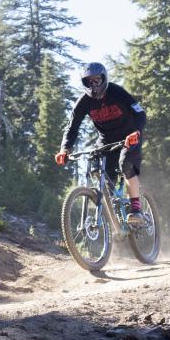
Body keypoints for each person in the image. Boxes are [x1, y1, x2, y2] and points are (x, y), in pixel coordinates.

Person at [55, 62, 147, 226]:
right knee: (101, 173)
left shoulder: (116, 92)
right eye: (89, 81)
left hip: (130, 136)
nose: (93, 85)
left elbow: (140, 113)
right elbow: (72, 127)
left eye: (97, 80)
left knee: (125, 164)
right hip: (106, 141)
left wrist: (136, 132)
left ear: (104, 78)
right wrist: (65, 149)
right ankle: (114, 215)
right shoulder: (84, 101)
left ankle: (136, 210)